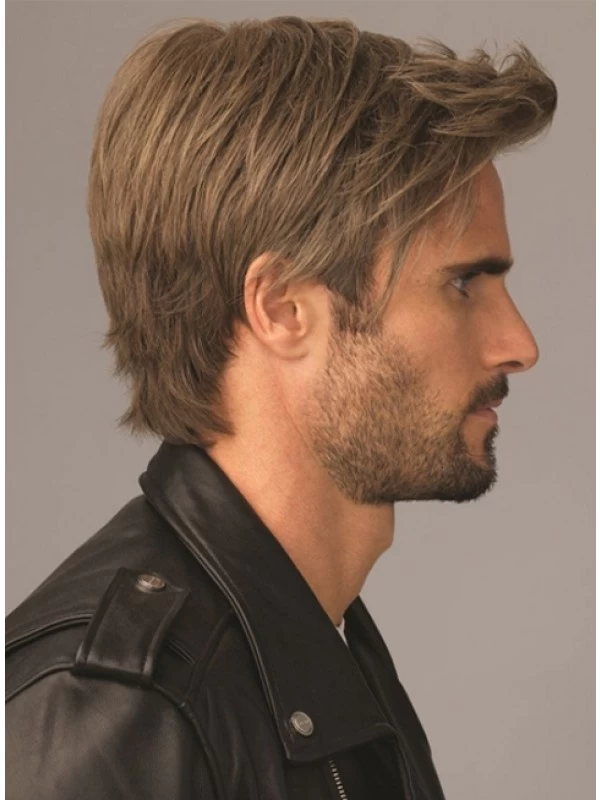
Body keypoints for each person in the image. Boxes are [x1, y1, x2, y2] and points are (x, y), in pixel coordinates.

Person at [6, 15, 557, 800]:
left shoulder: (318, 633)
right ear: (283, 308)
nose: (519, 344)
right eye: (465, 283)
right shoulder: (118, 710)